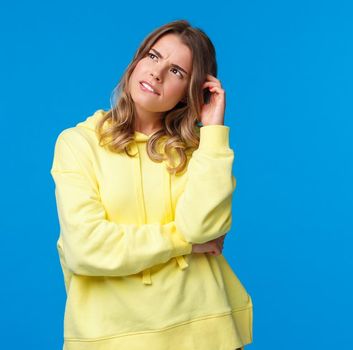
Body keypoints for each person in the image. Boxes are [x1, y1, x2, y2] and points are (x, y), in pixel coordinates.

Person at [50, 19, 252, 350]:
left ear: (192, 90)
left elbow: (206, 229)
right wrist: (182, 242)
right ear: (136, 62)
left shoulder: (201, 150)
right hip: (111, 338)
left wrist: (213, 130)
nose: (157, 73)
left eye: (177, 72)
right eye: (154, 56)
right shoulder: (78, 144)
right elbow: (85, 249)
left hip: (204, 330)